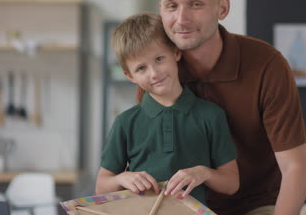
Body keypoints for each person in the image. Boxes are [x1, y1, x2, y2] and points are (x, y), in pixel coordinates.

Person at [153, 0, 306, 215]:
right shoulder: (156, 70)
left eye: (195, 4)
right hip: (183, 204)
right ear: (160, 11)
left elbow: (296, 169)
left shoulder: (267, 65)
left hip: (256, 204)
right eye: (171, 6)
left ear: (222, 8)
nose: (181, 19)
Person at [95, 13, 239, 205]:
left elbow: (231, 184)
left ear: (176, 53)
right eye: (141, 68)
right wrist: (121, 179)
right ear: (130, 76)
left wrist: (203, 173)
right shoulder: (125, 122)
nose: (154, 73)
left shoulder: (211, 115)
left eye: (159, 59)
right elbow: (101, 187)